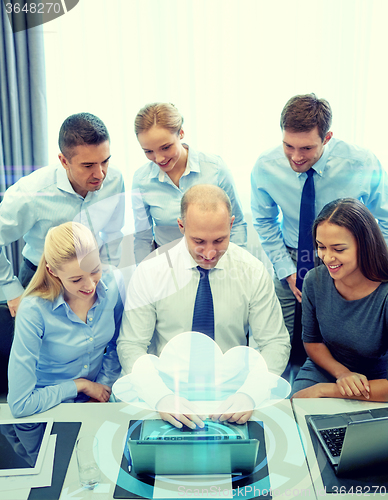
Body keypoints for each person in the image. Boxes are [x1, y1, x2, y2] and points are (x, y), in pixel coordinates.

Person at [117, 184, 290, 427]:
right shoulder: (151, 271)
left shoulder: (252, 271)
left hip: (233, 399)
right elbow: (131, 345)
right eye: (198, 240)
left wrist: (250, 393)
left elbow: (275, 342)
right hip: (166, 395)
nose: (209, 253)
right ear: (181, 227)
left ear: (231, 225)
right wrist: (159, 396)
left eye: (219, 240)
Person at [251, 94, 388, 339]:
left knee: (338, 338)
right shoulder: (266, 166)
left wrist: (370, 264)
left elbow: (386, 218)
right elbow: (264, 220)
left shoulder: (361, 163)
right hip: (292, 256)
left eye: (306, 148)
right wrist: (287, 270)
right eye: (288, 146)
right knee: (282, 336)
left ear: (327, 138)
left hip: (349, 258)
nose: (295, 156)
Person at [0, 112, 125, 317]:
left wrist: (108, 276)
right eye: (88, 165)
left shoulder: (115, 179)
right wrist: (12, 291)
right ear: (64, 161)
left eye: (105, 161)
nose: (100, 174)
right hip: (43, 281)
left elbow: (113, 232)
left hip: (91, 278)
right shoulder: (30, 193)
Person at [7, 222, 124, 418]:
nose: (90, 286)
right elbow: (20, 405)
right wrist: (80, 386)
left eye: (95, 270)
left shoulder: (113, 284)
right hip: (45, 407)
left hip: (97, 400)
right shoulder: (34, 309)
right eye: (76, 279)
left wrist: (101, 387)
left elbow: (117, 345)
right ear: (52, 271)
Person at [292, 199, 388, 401]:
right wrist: (342, 374)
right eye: (321, 247)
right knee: (295, 411)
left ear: (365, 245)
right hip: (326, 367)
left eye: (338, 249)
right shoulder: (314, 281)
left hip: (379, 380)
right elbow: (312, 342)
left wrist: (326, 390)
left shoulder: (384, 293)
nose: (327, 258)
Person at [132, 103, 247, 263]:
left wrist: (235, 266)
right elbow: (143, 238)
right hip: (169, 267)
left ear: (181, 133)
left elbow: (237, 223)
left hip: (216, 262)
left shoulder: (215, 168)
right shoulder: (141, 180)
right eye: (148, 151)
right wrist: (143, 275)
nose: (158, 158)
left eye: (165, 147)